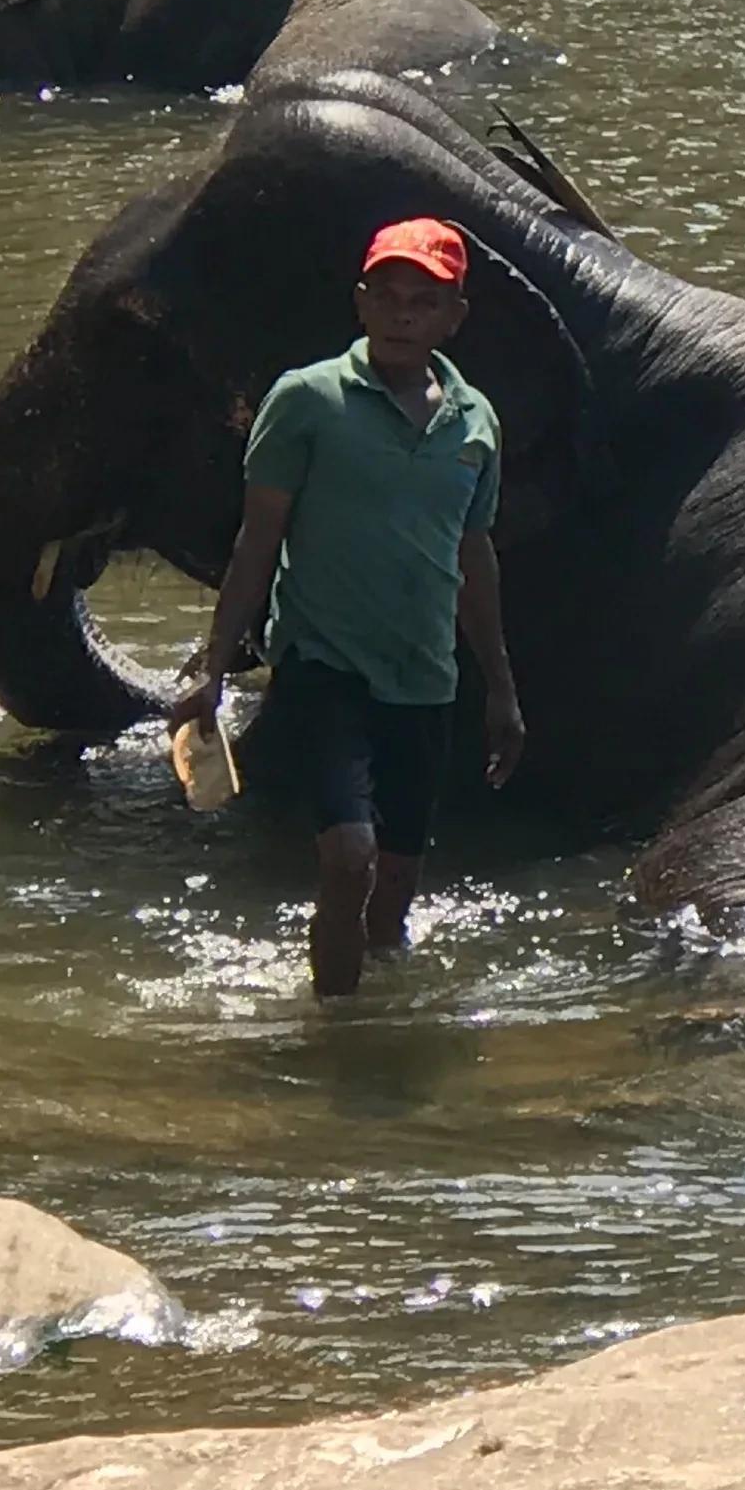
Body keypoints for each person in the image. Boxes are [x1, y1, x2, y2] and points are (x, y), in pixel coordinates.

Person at [166, 217, 524, 997]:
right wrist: (214, 667)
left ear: (453, 318)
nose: (402, 316)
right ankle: (330, 1027)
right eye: (386, 296)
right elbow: (258, 540)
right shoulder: (307, 400)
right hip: (322, 662)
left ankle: (378, 1018)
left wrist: (500, 687)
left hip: (424, 675)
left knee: (395, 884)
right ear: (359, 303)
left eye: (423, 303)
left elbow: (474, 556)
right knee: (349, 856)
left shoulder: (475, 421)